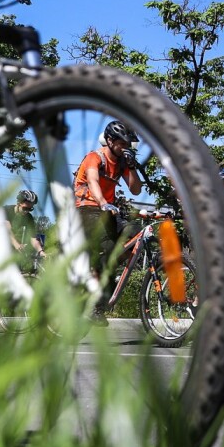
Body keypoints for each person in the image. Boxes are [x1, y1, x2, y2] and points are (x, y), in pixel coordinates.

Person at [73, 121, 143, 320]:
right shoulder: (95, 157)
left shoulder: (122, 161)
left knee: (135, 234)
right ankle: (94, 301)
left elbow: (136, 189)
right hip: (86, 208)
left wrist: (132, 167)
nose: (126, 147)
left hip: (107, 211)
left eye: (128, 144)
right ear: (110, 141)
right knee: (106, 245)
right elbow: (93, 181)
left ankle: (105, 268)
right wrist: (103, 202)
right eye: (122, 143)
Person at [6, 189, 45, 272]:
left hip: (12, 245)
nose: (27, 211)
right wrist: (17, 245)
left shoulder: (29, 218)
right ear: (19, 203)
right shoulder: (7, 211)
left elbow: (33, 238)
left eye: (30, 209)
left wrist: (41, 252)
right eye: (25, 208)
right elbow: (8, 231)